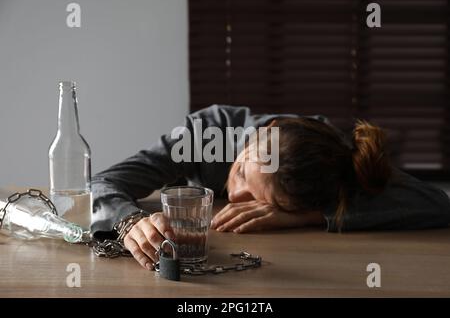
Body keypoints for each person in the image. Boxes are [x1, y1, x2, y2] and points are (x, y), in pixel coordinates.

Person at [92, 104, 450, 270]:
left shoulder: (332, 164)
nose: (235, 197)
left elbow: (437, 203)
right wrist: (129, 221)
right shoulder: (205, 133)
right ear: (267, 129)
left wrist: (310, 216)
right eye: (244, 172)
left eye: (261, 201)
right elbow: (104, 182)